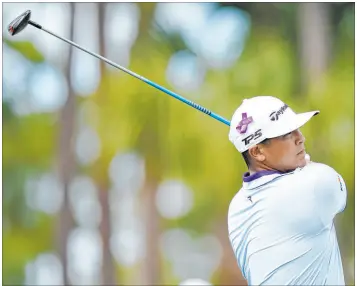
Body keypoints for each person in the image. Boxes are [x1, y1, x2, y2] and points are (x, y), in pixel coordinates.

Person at [227, 96, 347, 285]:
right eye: (286, 134)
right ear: (257, 152)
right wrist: (306, 163)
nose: (301, 138)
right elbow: (339, 194)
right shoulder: (315, 184)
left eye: (296, 130)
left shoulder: (236, 206)